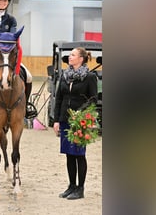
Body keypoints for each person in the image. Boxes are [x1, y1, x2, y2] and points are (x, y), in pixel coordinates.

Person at [53, 47, 98, 200]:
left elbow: (93, 99)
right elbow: (59, 98)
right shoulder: (64, 76)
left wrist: (80, 115)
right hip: (65, 119)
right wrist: (57, 120)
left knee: (79, 154)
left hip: (80, 121)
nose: (70, 57)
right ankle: (71, 186)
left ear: (81, 59)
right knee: (69, 154)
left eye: (73, 55)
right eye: (70, 55)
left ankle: (80, 188)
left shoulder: (90, 77)